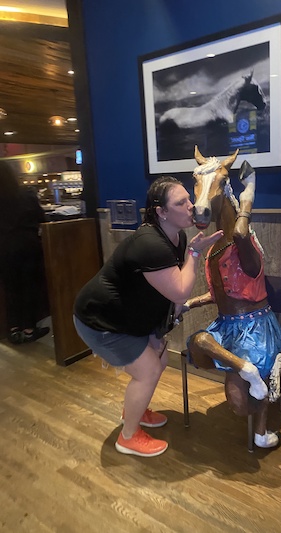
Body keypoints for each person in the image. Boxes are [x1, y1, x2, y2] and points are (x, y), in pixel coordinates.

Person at [73, 176, 223, 458]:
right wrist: (195, 253)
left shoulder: (175, 237)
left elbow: (164, 295)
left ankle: (135, 411)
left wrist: (157, 333)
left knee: (161, 358)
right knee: (149, 371)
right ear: (161, 212)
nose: (192, 206)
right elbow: (179, 292)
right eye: (181, 202)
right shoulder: (150, 243)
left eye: (189, 199)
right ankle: (128, 436)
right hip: (100, 320)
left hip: (127, 318)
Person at [0, 161, 50, 344]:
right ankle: (29, 329)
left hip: (3, 248)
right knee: (30, 287)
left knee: (11, 288)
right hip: (27, 246)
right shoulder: (26, 195)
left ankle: (14, 330)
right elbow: (41, 218)